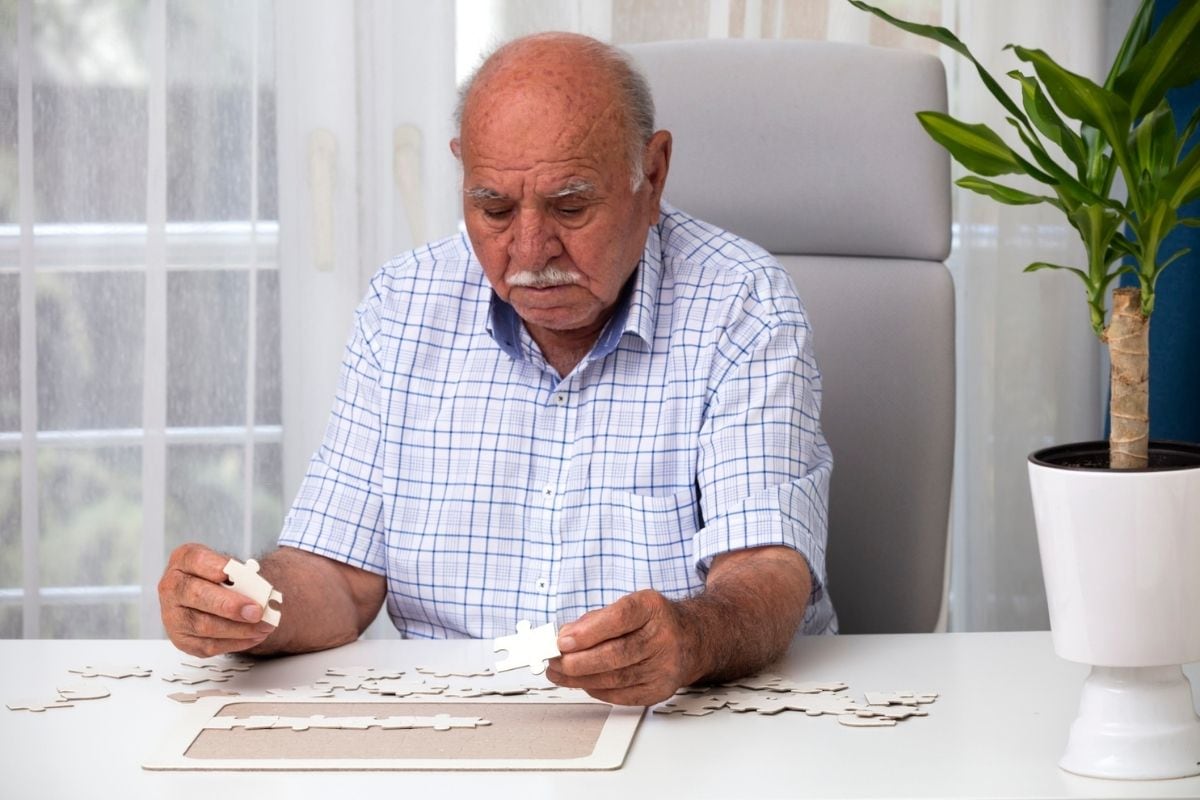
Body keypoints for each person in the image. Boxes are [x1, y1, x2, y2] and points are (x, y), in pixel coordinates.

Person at [158, 31, 835, 707]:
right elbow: (337, 576)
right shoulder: (402, 306)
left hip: (684, 717)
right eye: (494, 208)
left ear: (651, 174)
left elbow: (767, 571)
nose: (531, 249)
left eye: (571, 206)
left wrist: (690, 638)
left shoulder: (742, 302)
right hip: (458, 725)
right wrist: (246, 605)